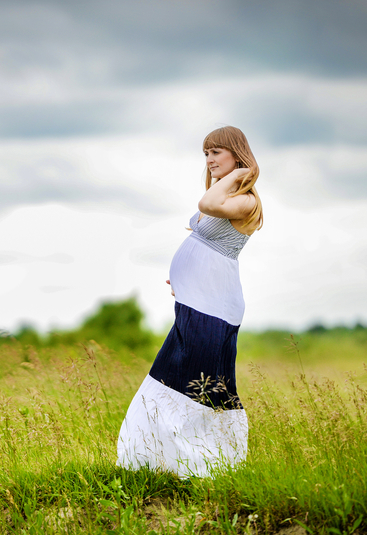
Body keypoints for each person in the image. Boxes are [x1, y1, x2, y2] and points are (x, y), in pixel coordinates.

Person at [116, 126, 262, 478]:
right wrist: (185, 277)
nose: (209, 159)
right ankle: (156, 463)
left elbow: (207, 204)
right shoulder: (225, 196)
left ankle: (205, 466)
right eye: (206, 153)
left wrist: (242, 173)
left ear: (237, 154)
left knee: (200, 386)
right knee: (170, 376)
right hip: (196, 301)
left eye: (216, 152)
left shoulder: (246, 200)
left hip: (214, 308)